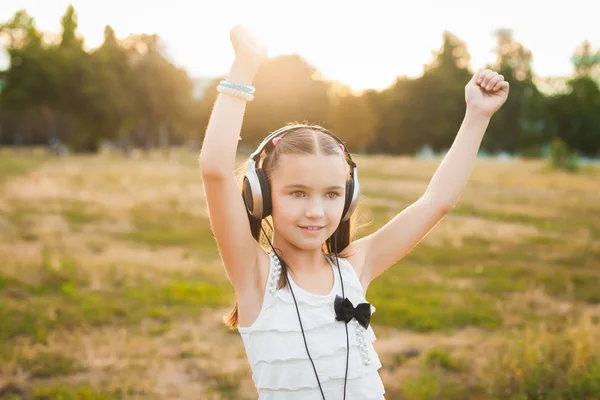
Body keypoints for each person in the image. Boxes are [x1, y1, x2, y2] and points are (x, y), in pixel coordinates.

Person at [199, 25, 509, 400]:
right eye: (297, 193)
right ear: (262, 196)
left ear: (348, 198)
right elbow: (215, 170)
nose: (315, 211)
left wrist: (477, 115)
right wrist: (244, 67)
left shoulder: (355, 265)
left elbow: (436, 202)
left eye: (331, 194)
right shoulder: (255, 275)